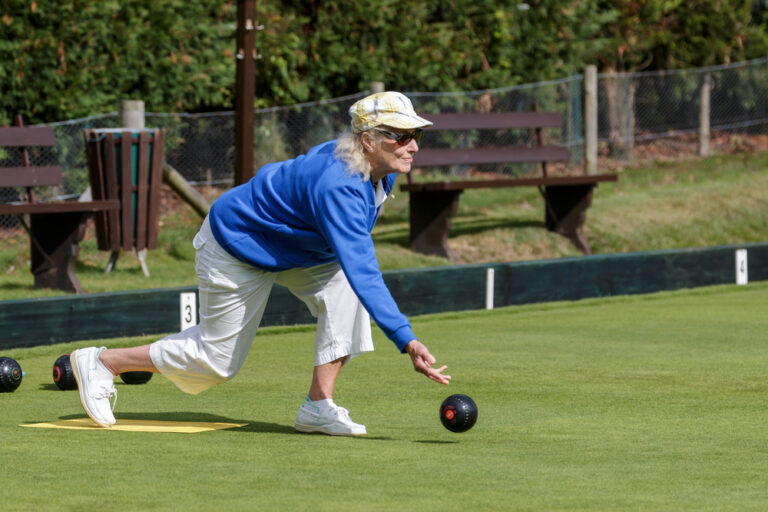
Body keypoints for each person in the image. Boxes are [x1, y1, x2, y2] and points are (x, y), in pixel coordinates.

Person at [69, 91, 451, 437]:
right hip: (237, 246)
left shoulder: (375, 171)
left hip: (291, 249)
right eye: (401, 137)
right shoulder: (341, 184)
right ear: (368, 140)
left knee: (346, 291)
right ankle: (103, 362)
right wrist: (407, 340)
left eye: (416, 135)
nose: (413, 146)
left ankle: (318, 406)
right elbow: (363, 268)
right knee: (215, 363)